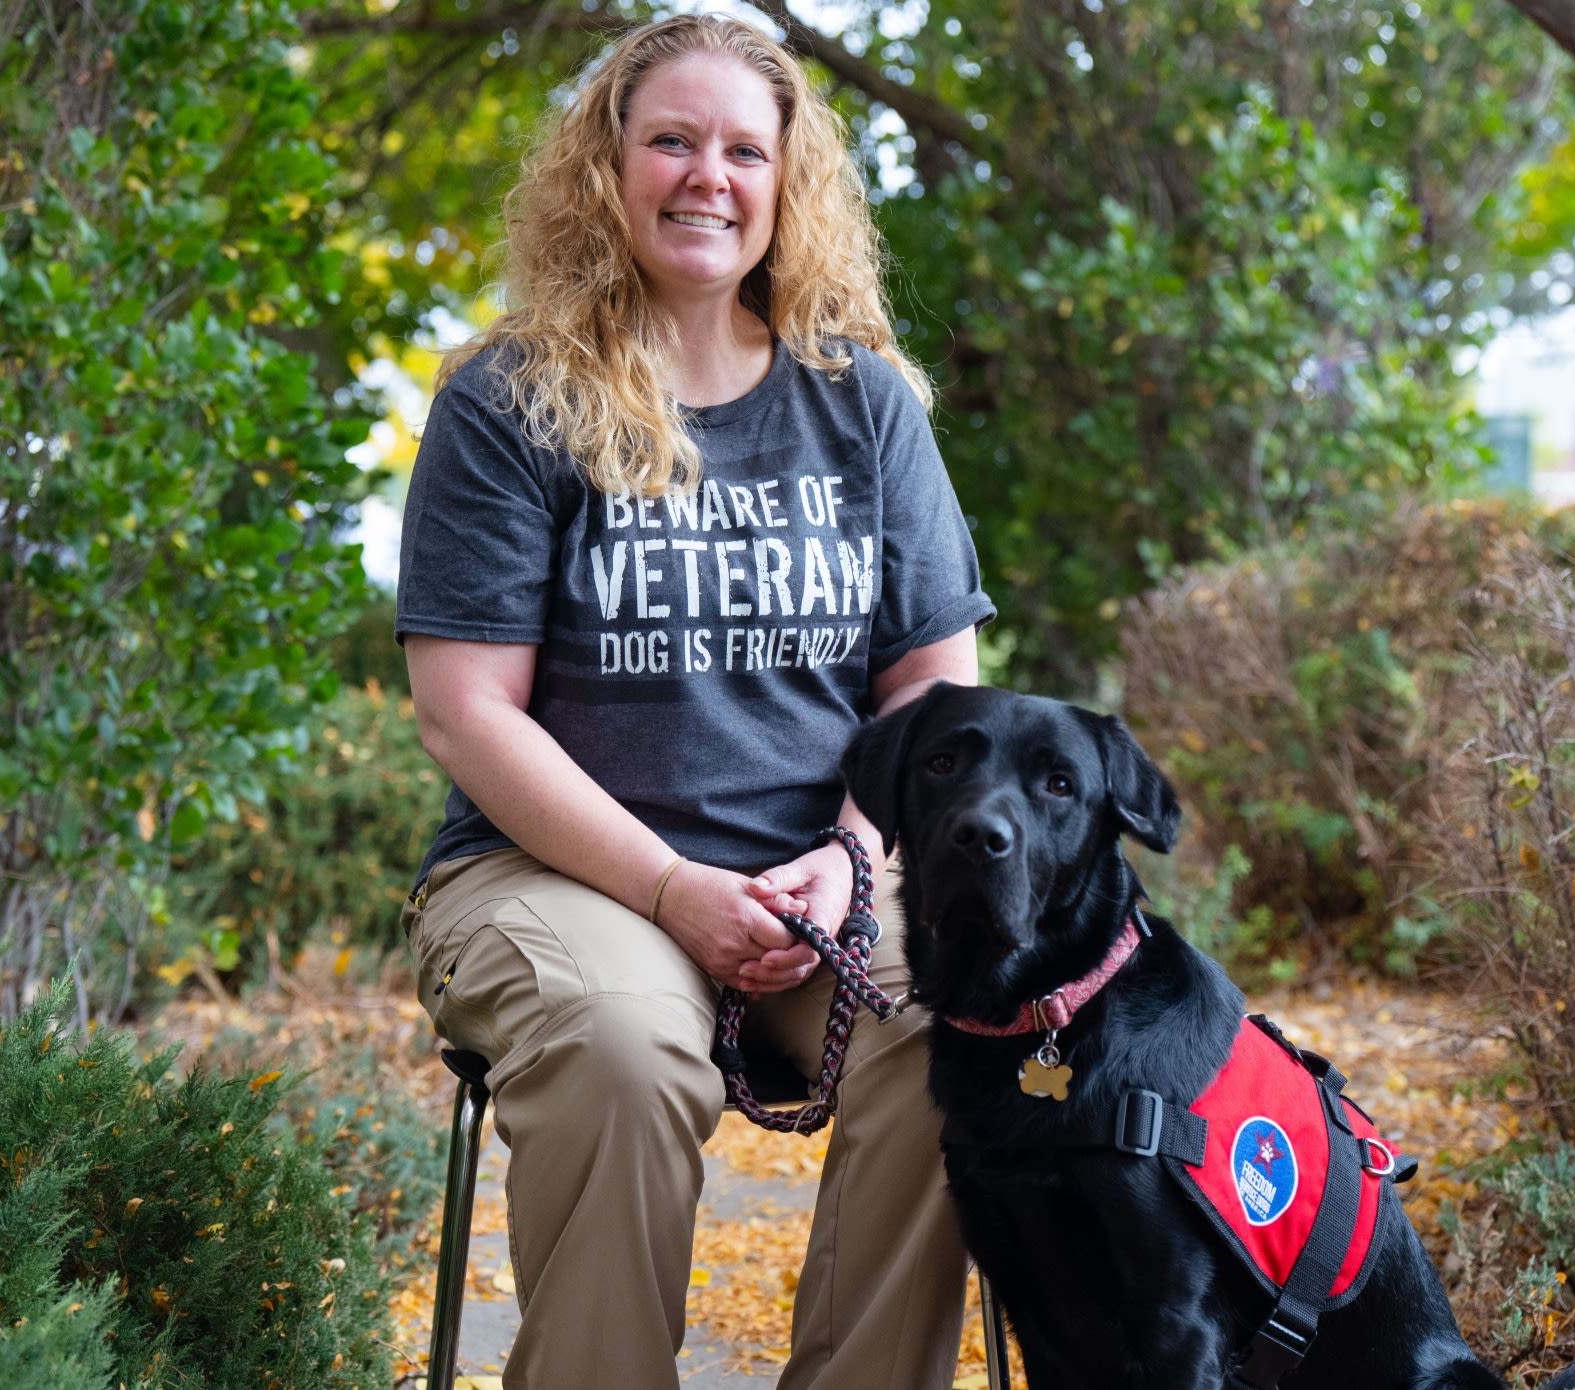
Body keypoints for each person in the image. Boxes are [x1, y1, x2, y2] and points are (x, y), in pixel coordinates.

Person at [395, 15, 994, 1389]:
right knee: (622, 1044)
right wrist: (675, 892)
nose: (706, 175)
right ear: (606, 167)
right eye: (671, 139)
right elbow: (466, 713)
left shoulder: (867, 405)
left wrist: (851, 857)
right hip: (552, 875)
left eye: (742, 148)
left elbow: (930, 686)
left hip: (824, 870)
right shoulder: (509, 400)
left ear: (789, 184)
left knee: (970, 1003)